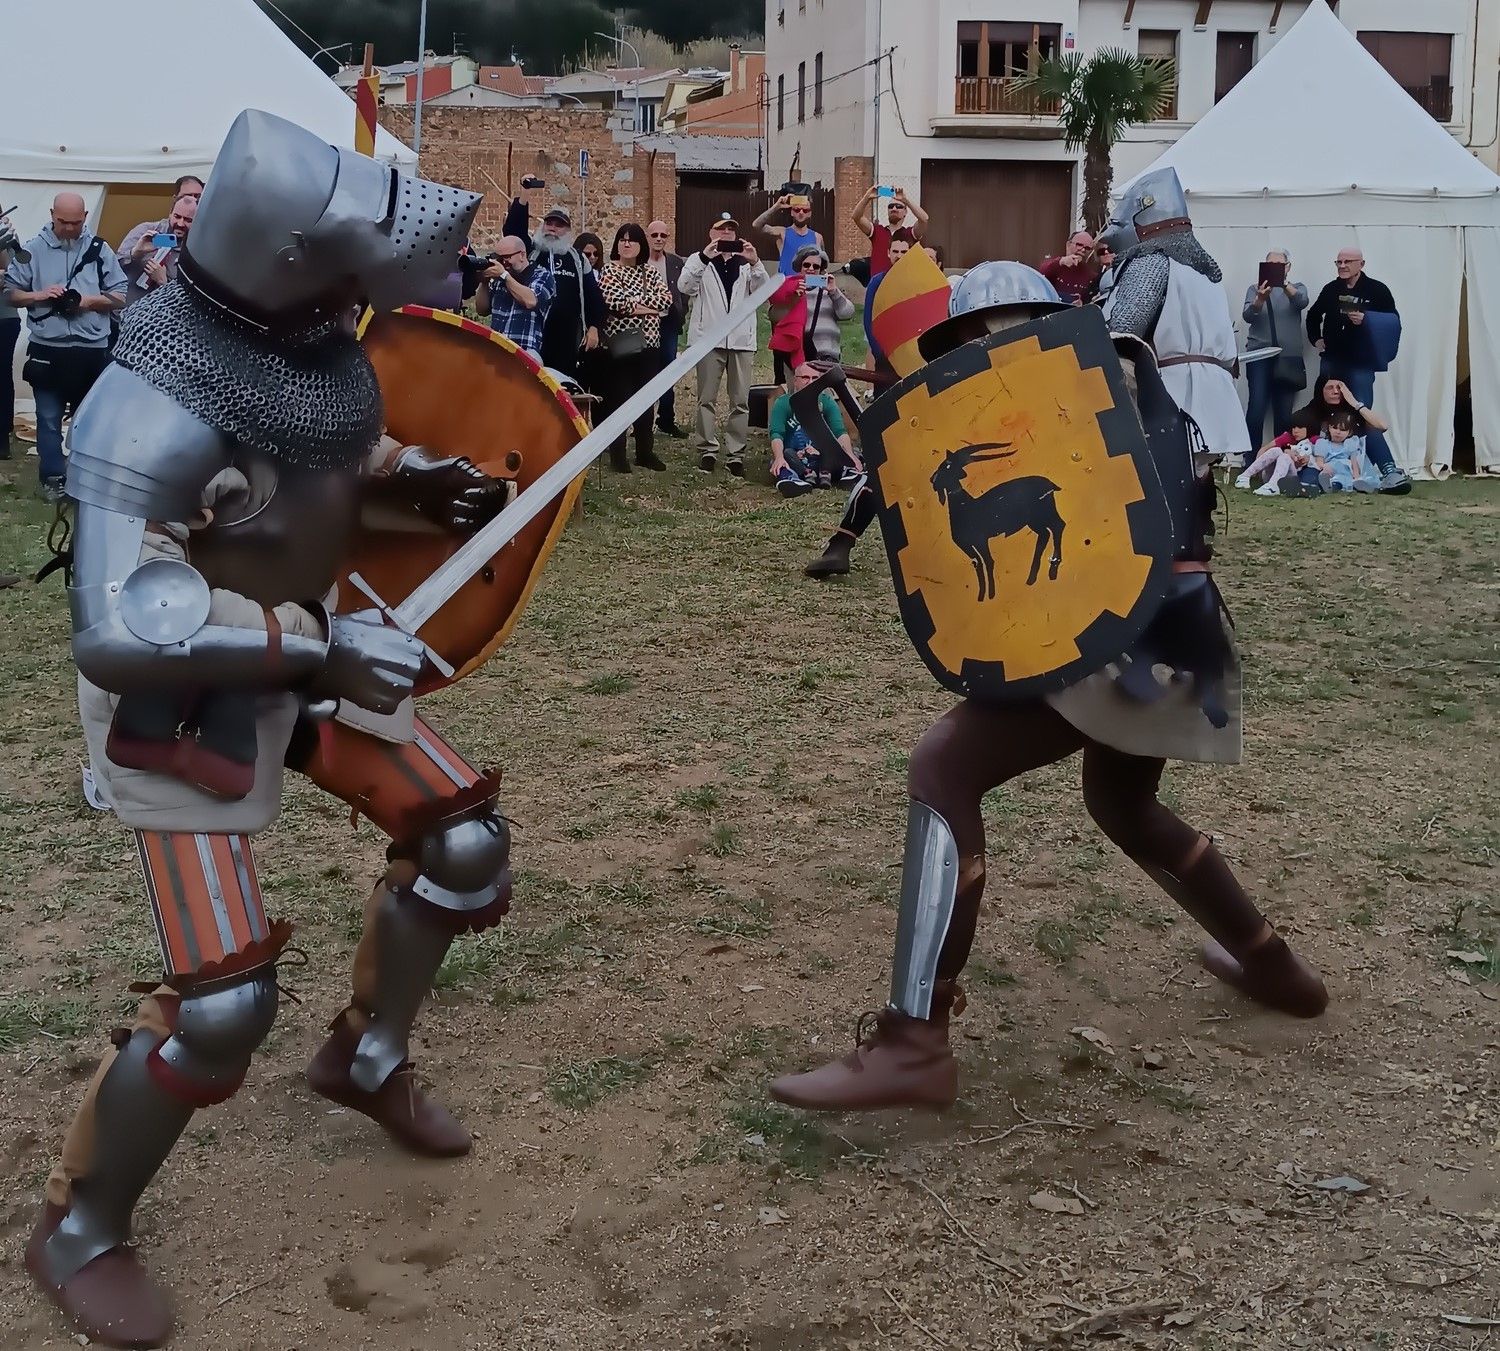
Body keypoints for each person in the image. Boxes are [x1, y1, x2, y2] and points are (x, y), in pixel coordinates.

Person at [21, 110, 509, 1350]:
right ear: (290, 259)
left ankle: (365, 1055)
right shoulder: (142, 409)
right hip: (180, 695)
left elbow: (323, 447)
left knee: (462, 839)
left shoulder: (305, 340)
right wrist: (321, 648)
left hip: (300, 641)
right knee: (227, 1001)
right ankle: (79, 1226)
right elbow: (124, 622)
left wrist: (407, 481)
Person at [768, 260, 1328, 1114]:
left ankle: (914, 1042)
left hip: (1118, 626)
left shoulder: (1085, 381)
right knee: (1123, 803)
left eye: (972, 338)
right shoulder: (1112, 371)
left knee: (945, 767)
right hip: (1180, 624)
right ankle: (1272, 963)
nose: (973, 355)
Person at [1096, 168, 1251, 466]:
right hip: (1213, 395)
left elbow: (1122, 330)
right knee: (1193, 490)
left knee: (1165, 491)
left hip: (1172, 395)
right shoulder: (1206, 272)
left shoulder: (1152, 261)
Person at [3, 192, 127, 501]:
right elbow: (11, 293)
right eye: (63, 222)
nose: (70, 229)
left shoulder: (100, 250)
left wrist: (88, 301)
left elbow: (121, 295)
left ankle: (86, 480)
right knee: (47, 419)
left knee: (90, 421)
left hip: (91, 349)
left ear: (85, 216)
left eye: (76, 222)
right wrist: (41, 295)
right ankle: (53, 478)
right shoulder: (32, 249)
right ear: (51, 215)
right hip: (48, 348)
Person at [1306, 247, 1408, 493]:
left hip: (1361, 362)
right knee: (1327, 413)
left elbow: (1393, 322)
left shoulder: (1378, 290)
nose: (1342, 265)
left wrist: (1367, 319)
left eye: (1347, 261)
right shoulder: (1331, 289)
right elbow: (1312, 315)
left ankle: (1387, 471)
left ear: (1361, 263)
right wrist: (1316, 340)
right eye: (1338, 261)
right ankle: (1322, 470)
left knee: (1361, 415)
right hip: (1332, 360)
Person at [677, 215, 770, 476]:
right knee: (706, 399)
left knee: (740, 401)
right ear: (711, 232)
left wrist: (756, 262)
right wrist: (705, 258)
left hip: (741, 341)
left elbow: (762, 292)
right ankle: (707, 450)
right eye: (722, 229)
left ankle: (735, 453)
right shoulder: (699, 260)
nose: (727, 234)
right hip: (709, 341)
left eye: (731, 230)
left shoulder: (746, 263)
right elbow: (685, 286)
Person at [502, 185, 603, 381]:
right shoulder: (531, 252)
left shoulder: (578, 259)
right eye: (549, 223)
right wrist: (525, 194)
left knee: (564, 389)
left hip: (567, 338)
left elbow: (594, 297)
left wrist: (594, 327)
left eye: (559, 225)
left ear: (567, 230)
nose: (552, 228)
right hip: (533, 336)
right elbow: (512, 232)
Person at [597, 222, 673, 473]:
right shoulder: (609, 270)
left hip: (650, 345)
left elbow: (666, 300)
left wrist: (635, 303)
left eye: (632, 240)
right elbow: (614, 302)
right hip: (620, 346)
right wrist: (646, 307)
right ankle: (618, 454)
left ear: (641, 245)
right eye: (622, 239)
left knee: (645, 400)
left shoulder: (650, 272)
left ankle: (644, 451)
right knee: (618, 400)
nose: (626, 244)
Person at [1242, 249, 1309, 450]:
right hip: (1259, 356)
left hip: (1287, 357)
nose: (1274, 269)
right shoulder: (1254, 289)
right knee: (1256, 409)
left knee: (1283, 412)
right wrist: (1260, 299)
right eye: (1269, 265)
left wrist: (1283, 283)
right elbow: (1248, 316)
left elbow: (1301, 302)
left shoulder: (1298, 287)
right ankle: (1251, 457)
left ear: (1288, 267)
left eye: (1279, 265)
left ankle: (1280, 457)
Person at [769, 361, 863, 496]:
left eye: (815, 378)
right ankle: (791, 480)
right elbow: (776, 434)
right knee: (781, 458)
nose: (810, 382)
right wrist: (778, 457)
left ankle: (847, 473)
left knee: (848, 453)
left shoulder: (827, 402)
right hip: (796, 458)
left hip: (824, 458)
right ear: (796, 381)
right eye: (805, 378)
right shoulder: (783, 403)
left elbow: (840, 433)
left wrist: (850, 455)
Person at [769, 246, 856, 386]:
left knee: (825, 399)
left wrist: (834, 291)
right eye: (806, 265)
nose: (811, 269)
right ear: (799, 266)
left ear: (821, 269)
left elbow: (847, 313)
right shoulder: (788, 288)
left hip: (826, 359)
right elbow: (774, 316)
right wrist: (793, 298)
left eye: (816, 266)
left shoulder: (830, 290)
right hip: (796, 358)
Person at [474, 233, 556, 363]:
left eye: (506, 257)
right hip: (497, 349)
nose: (503, 263)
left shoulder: (542, 275)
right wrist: (483, 282)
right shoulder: (500, 279)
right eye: (499, 258)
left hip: (525, 352)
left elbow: (530, 301)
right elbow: (482, 310)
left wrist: (505, 276)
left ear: (522, 255)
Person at [645, 220, 687, 437]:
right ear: (648, 237)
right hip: (643, 325)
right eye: (655, 235)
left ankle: (666, 420)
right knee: (644, 373)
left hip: (668, 322)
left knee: (668, 372)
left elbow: (684, 289)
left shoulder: (675, 262)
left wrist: (681, 312)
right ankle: (643, 423)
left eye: (663, 235)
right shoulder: (639, 262)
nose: (659, 238)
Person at [119, 194, 197, 307]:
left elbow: (188, 301)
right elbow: (113, 269)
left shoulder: (194, 252)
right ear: (170, 212)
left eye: (188, 220)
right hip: (126, 310)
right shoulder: (145, 230)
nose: (180, 224)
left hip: (161, 318)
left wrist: (163, 282)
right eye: (177, 216)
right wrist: (135, 253)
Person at [851, 185, 928, 276]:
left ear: (905, 212)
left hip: (903, 285)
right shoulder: (877, 231)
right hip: (879, 286)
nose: (894, 209)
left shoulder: (911, 233)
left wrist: (906, 200)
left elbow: (924, 219)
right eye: (891, 206)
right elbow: (856, 217)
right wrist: (867, 197)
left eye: (899, 206)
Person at [1235, 417, 1315, 495]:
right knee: (1276, 450)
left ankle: (1273, 486)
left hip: (1292, 477)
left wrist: (1308, 459)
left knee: (1285, 457)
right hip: (1271, 473)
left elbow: (1322, 459)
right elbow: (1264, 449)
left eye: (1300, 427)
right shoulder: (1288, 437)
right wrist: (1285, 450)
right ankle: (1244, 476)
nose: (1295, 431)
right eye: (1293, 427)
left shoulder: (1314, 441)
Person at [752, 193, 825, 277]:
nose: (801, 213)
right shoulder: (782, 233)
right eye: (797, 210)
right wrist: (777, 206)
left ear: (810, 213)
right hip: (787, 286)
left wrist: (823, 283)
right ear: (792, 212)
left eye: (805, 210)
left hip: (808, 286)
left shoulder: (817, 237)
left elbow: (821, 267)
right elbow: (756, 225)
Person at [1316, 408, 1382, 494]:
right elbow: (1319, 461)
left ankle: (1355, 484)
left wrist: (1356, 475)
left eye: (1342, 430)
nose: (1338, 432)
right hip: (1330, 468)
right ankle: (1329, 483)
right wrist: (1324, 466)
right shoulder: (1323, 443)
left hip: (1346, 468)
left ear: (1349, 433)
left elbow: (1354, 461)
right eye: (1335, 428)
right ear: (1329, 428)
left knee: (1346, 477)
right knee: (1331, 474)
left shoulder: (1350, 444)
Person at [0, 210, 21, 459]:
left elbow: (16, 274)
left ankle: (2, 436)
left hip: (4, 317)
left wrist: (5, 243)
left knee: (2, 375)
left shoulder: (9, 237)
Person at [1039, 230, 1099, 306]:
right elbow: (1041, 272)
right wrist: (1061, 262)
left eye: (1087, 248)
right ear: (1068, 245)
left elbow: (1091, 302)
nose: (1083, 250)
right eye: (1079, 245)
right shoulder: (1055, 265)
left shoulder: (1091, 276)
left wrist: (1082, 304)